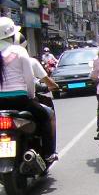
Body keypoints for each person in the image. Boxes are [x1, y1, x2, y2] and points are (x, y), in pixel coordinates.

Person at [0, 17, 57, 161]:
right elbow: (29, 78)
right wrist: (31, 96)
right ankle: (49, 153)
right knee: (46, 116)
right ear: (12, 35)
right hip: (20, 99)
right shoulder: (19, 51)